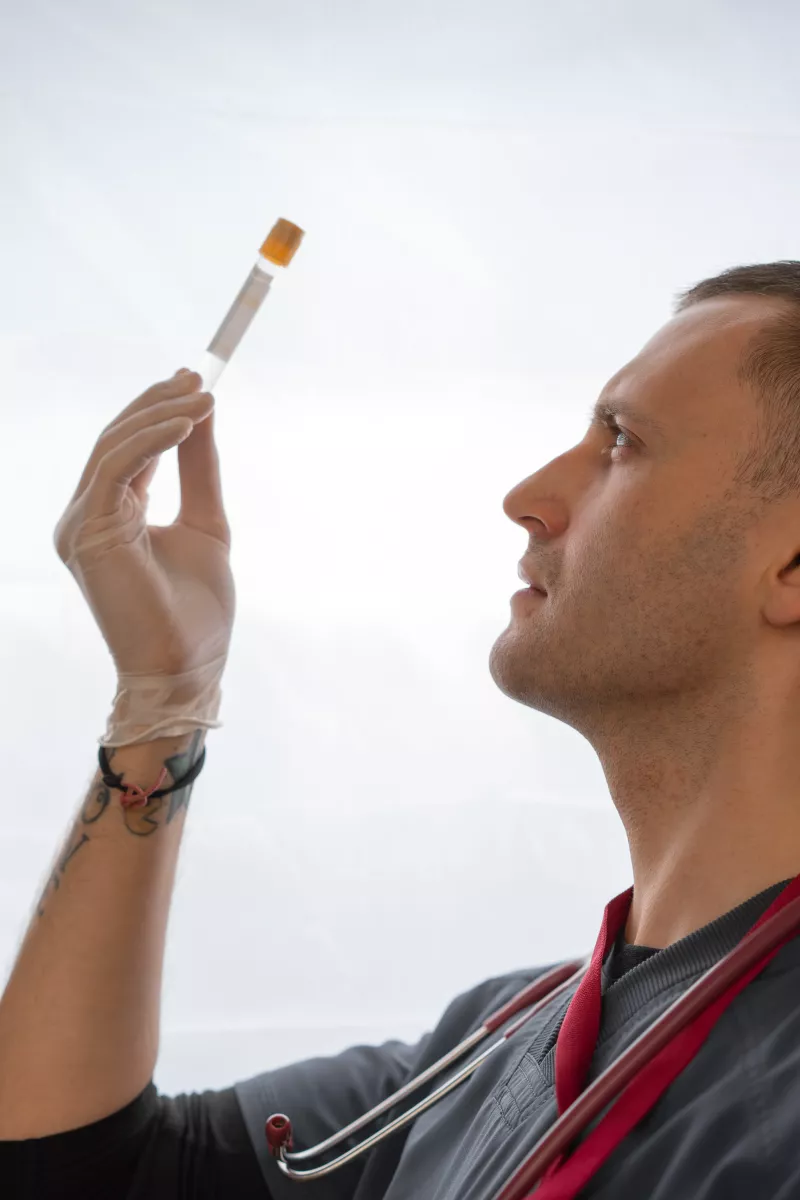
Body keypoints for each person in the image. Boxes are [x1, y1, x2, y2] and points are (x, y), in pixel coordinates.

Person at [3, 263, 800, 1200]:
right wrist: (161, 700)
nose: (529, 494)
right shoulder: (489, 1045)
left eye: (620, 441)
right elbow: (75, 1170)